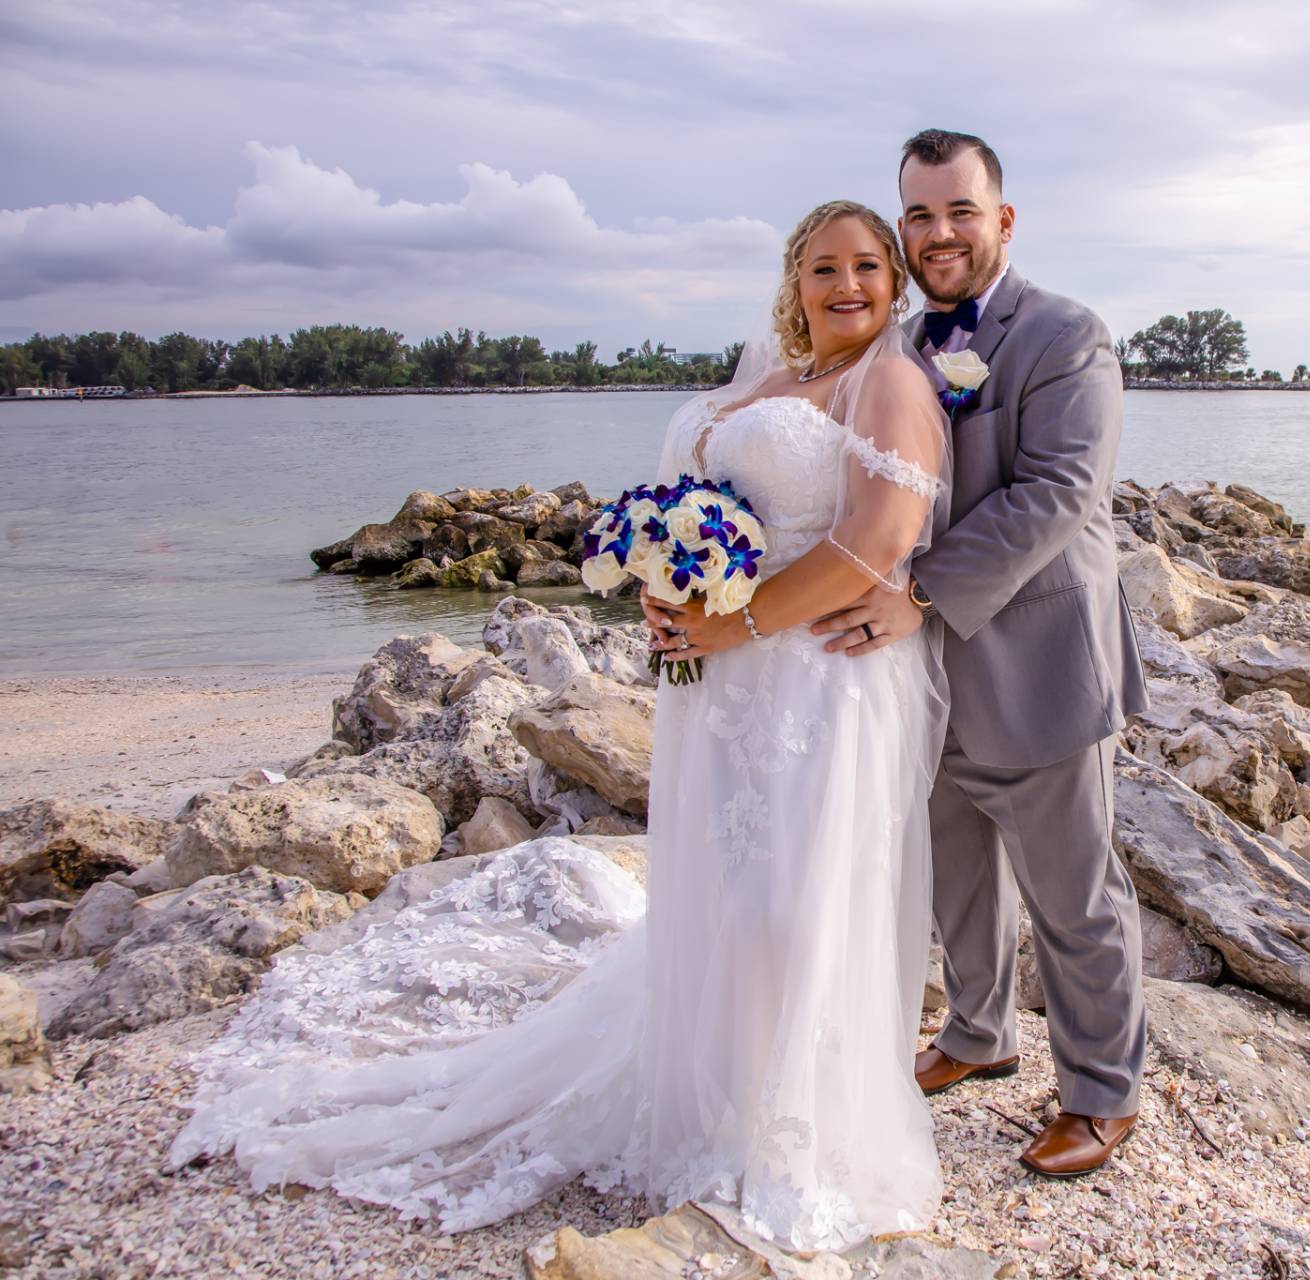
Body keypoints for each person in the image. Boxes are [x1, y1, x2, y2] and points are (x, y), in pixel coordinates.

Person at [167, 200, 953, 1252]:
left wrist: (737, 623)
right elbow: (708, 507)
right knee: (722, 891)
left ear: (896, 283)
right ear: (793, 281)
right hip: (722, 683)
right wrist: (663, 575)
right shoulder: (766, 382)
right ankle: (712, 1103)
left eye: (867, 266)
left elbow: (879, 538)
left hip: (818, 680)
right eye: (824, 267)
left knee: (794, 905)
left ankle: (797, 1133)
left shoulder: (889, 381)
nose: (846, 284)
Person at [809, 129, 1151, 1178]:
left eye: (958, 209)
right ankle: (977, 1033)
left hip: (1038, 661)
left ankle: (1102, 1093)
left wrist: (913, 589)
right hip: (925, 675)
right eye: (917, 213)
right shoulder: (898, 340)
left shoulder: (1065, 335)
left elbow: (1058, 494)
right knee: (956, 873)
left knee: (1074, 893)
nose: (937, 231)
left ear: (1003, 218)